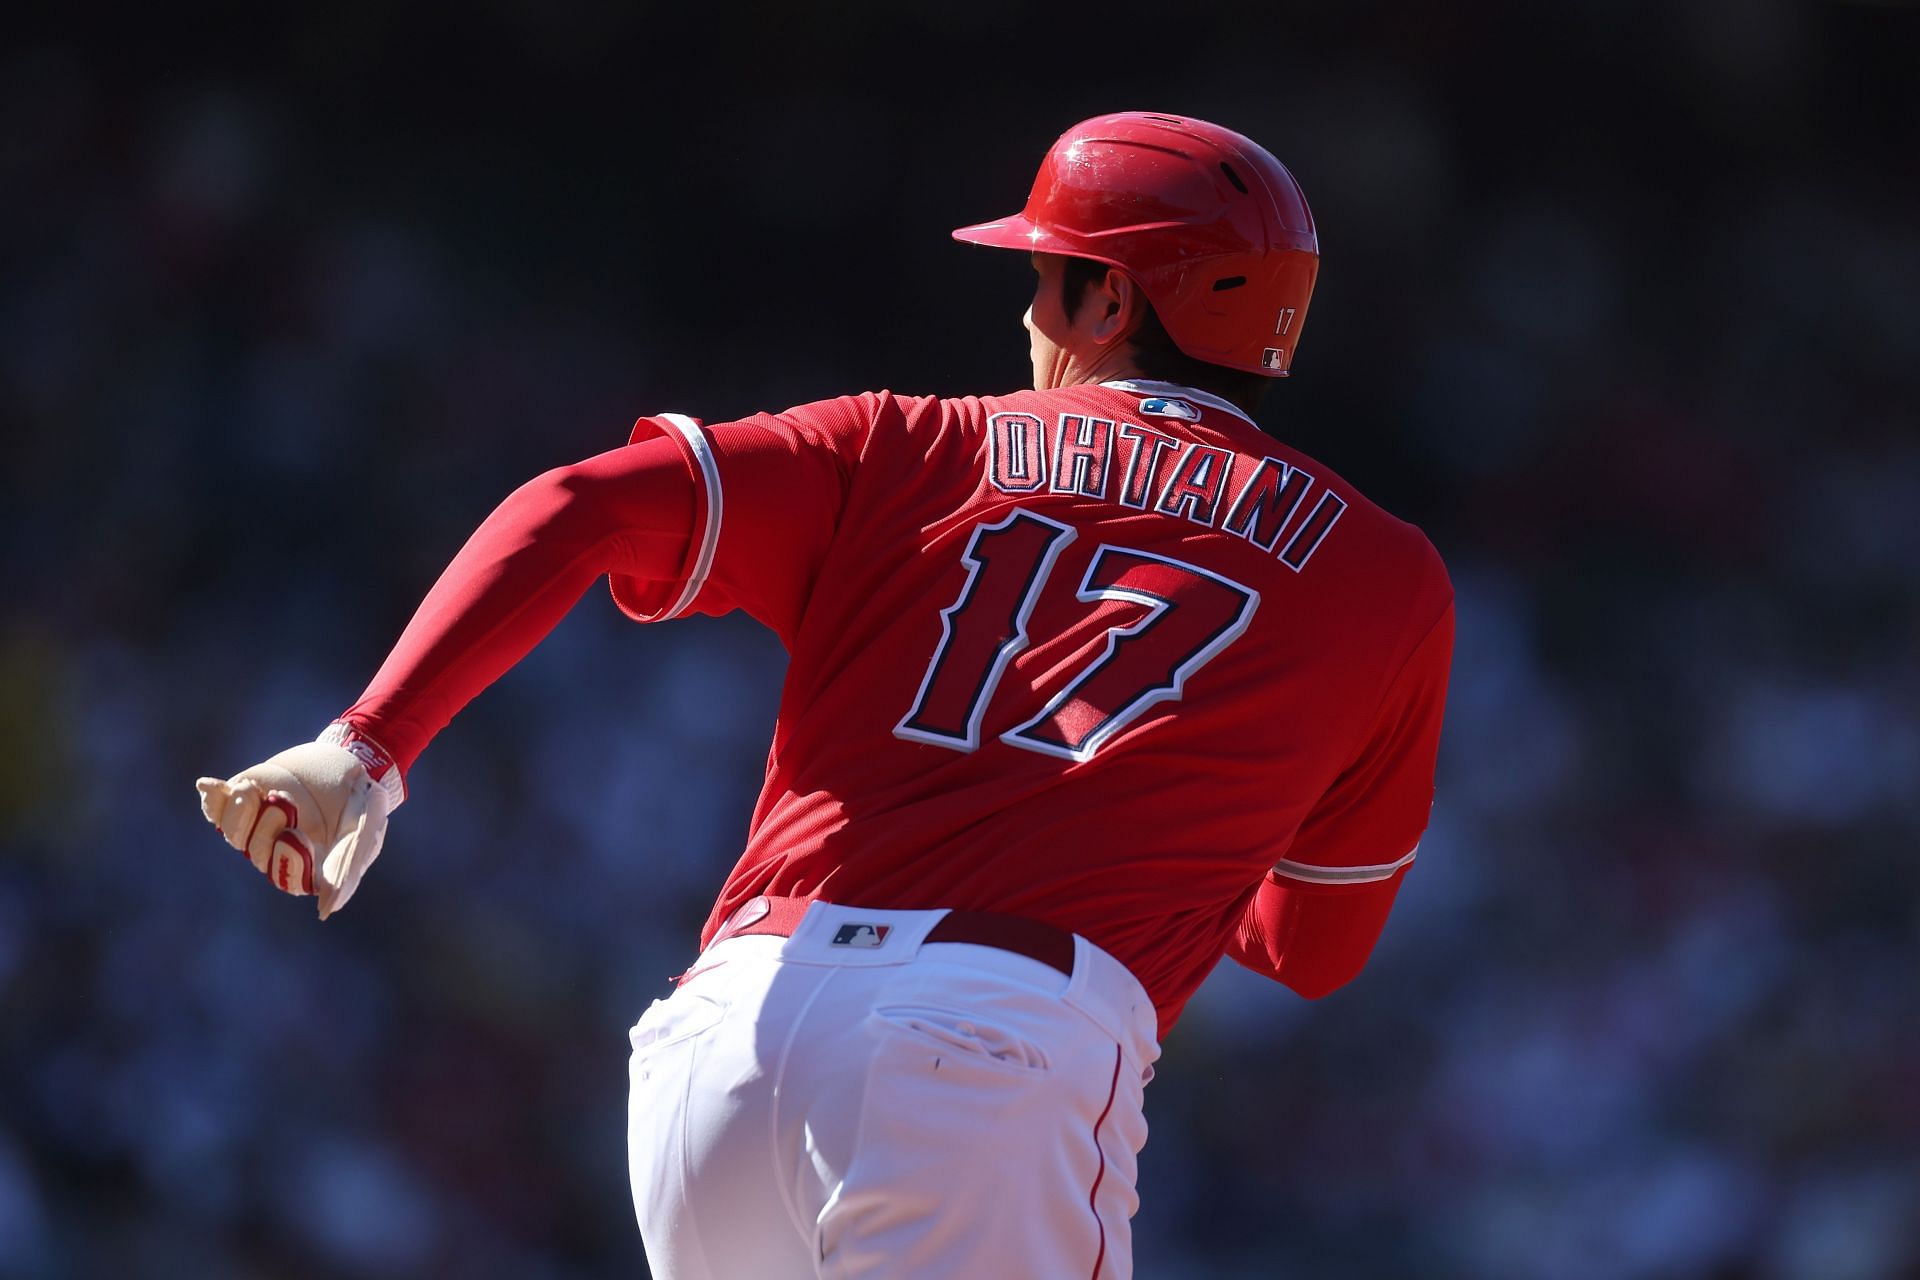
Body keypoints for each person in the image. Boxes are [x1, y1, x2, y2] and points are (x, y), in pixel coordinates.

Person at [196, 111, 1454, 1279]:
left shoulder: (910, 440)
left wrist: (365, 744)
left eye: (1042, 272)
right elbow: (1314, 948)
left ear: (1112, 293)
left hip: (729, 1036)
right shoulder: (1386, 577)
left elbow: (574, 505)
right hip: (993, 1051)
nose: (1029, 311)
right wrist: (1181, 812)